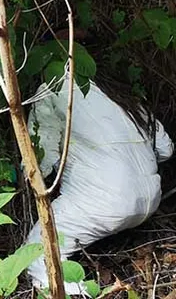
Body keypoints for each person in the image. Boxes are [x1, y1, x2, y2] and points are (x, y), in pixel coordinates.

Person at [23, 71, 173, 295]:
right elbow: (166, 149)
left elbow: (41, 162)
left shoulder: (52, 88)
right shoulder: (122, 92)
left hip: (103, 204)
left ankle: (77, 293)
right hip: (151, 199)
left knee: (36, 256)